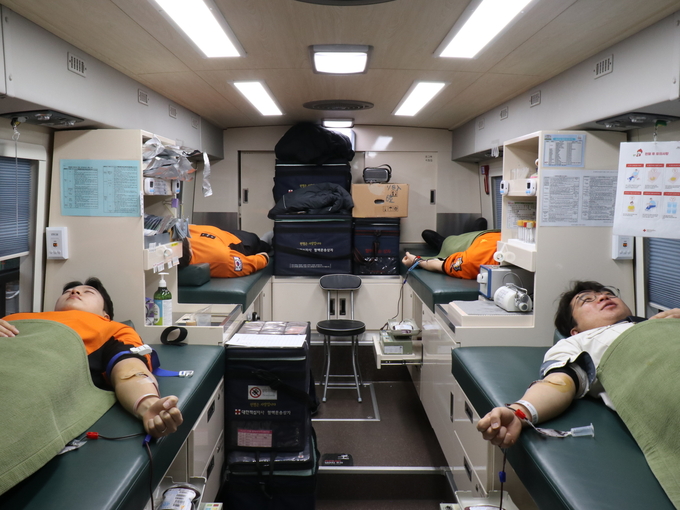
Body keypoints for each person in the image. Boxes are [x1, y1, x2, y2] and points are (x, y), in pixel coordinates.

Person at [476, 280, 680, 448]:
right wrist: (519, 413)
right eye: (587, 301)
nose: (603, 297)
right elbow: (558, 383)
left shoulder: (662, 320)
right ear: (576, 330)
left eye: (608, 294)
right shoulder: (577, 343)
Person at [0, 277, 183, 439]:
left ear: (105, 315)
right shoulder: (15, 318)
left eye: (88, 292)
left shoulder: (113, 329)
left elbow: (129, 369)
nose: (75, 292)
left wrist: (148, 405)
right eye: (68, 292)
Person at [402, 229, 501, 280]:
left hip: (482, 238)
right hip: (483, 237)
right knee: (454, 245)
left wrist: (416, 261)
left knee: (452, 246)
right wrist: (418, 261)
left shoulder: (473, 261)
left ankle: (443, 243)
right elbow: (440, 265)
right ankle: (444, 242)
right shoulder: (473, 260)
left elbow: (441, 265)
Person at [179, 224, 271, 278]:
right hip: (239, 243)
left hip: (222, 234)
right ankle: (267, 241)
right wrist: (264, 257)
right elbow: (249, 264)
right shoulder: (221, 259)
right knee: (259, 242)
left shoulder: (178, 232)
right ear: (190, 251)